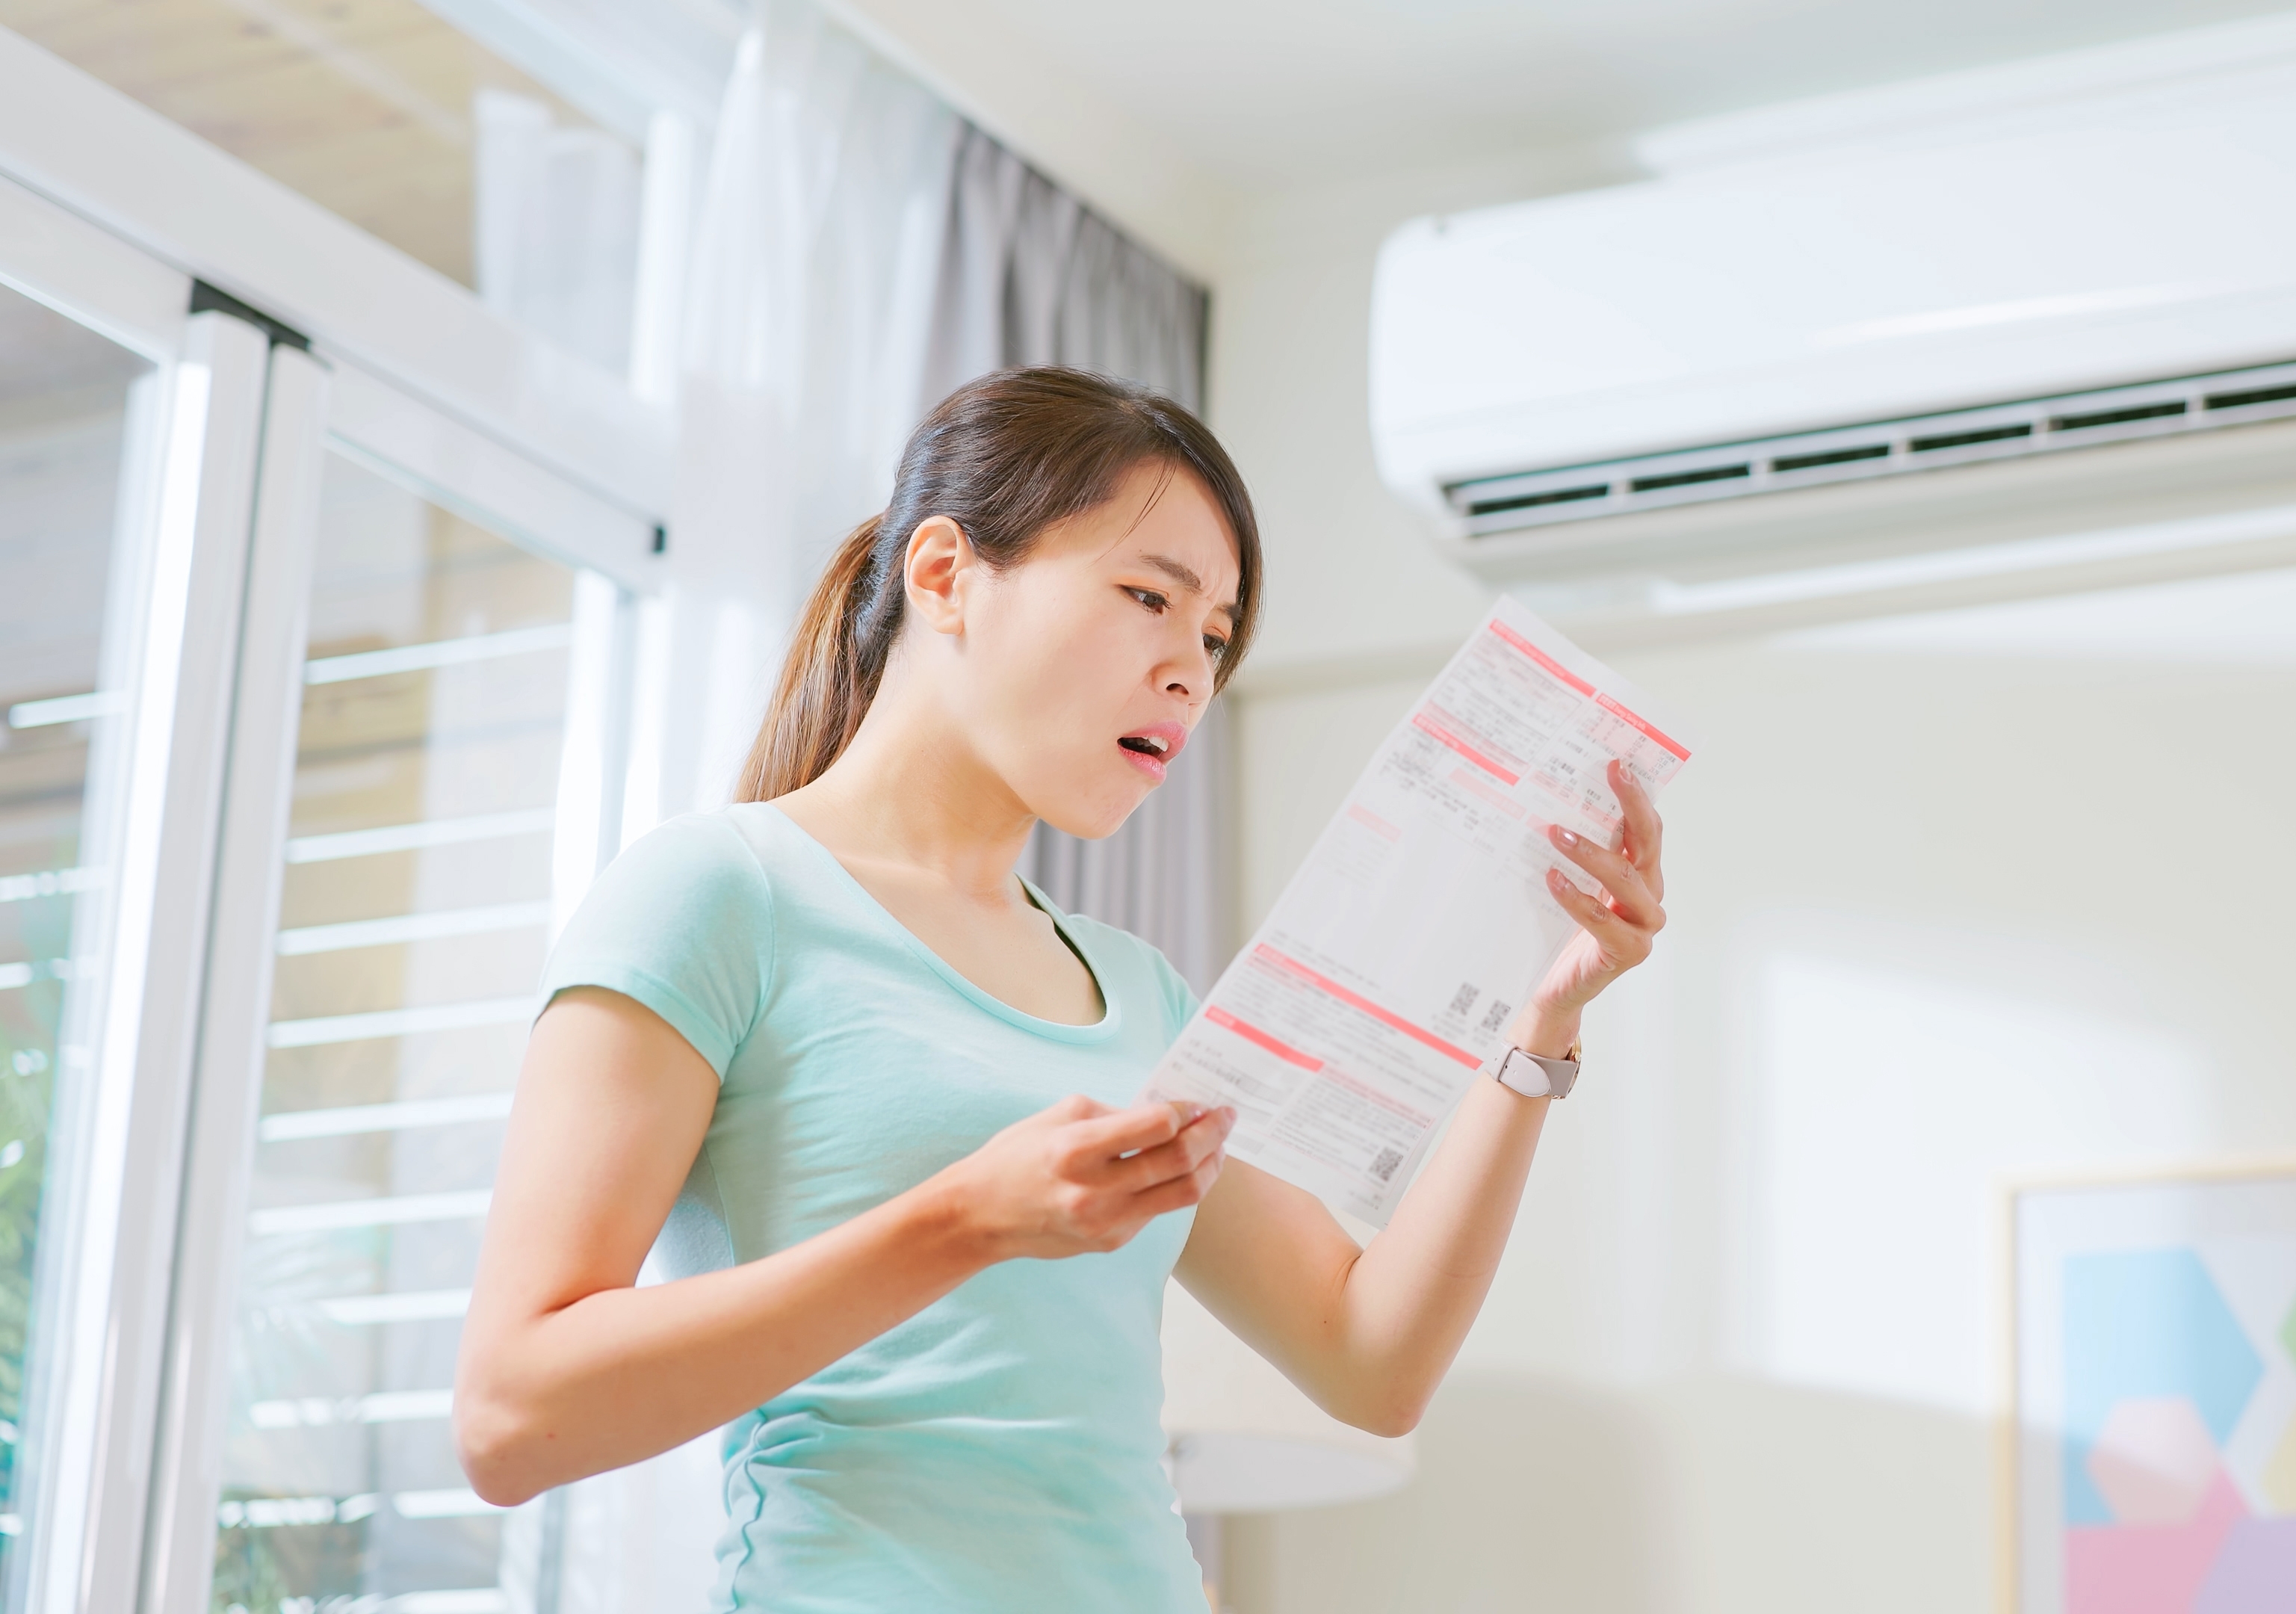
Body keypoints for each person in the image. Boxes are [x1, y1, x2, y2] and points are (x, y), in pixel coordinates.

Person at [451, 368, 1668, 1610]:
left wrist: (1539, 1028)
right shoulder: (720, 895)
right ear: (944, 576)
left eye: (1214, 637)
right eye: (1150, 597)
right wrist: (966, 1221)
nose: (1192, 672)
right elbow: (511, 1416)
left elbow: (1371, 1364)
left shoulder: (1137, 994)